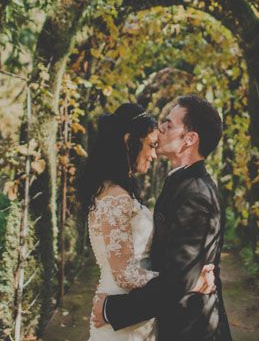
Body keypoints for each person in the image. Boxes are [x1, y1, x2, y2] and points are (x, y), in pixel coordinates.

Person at [91, 95, 232, 341]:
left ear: (189, 139)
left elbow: (180, 278)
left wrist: (112, 310)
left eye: (169, 124)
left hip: (192, 330)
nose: (160, 128)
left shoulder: (196, 194)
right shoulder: (180, 183)